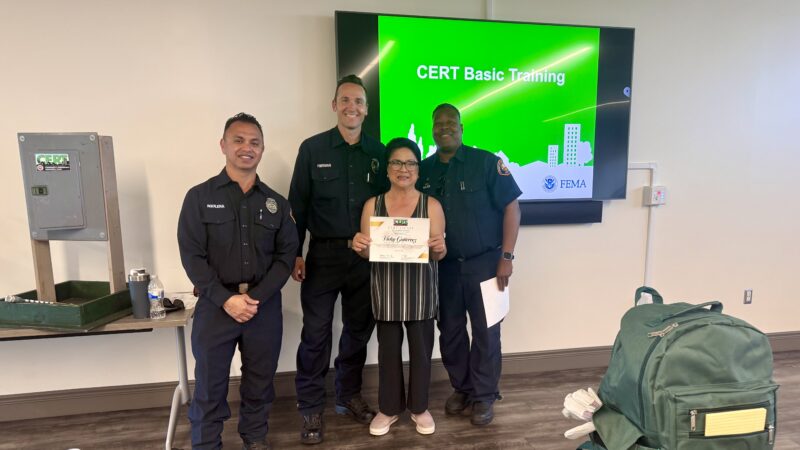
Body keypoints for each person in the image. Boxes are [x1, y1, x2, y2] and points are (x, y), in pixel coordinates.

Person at [178, 113, 298, 450]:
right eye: (239, 140)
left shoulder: (276, 203)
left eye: (255, 142)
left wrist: (255, 298)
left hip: (263, 307)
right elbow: (192, 256)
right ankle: (206, 444)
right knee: (209, 385)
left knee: (260, 382)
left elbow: (286, 257)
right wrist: (226, 299)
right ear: (223, 146)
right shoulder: (199, 197)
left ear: (262, 149)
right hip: (216, 306)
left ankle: (255, 438)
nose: (247, 148)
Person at [289, 74, 388, 444]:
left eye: (359, 102)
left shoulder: (379, 155)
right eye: (345, 100)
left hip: (366, 258)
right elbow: (296, 206)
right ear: (334, 105)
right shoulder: (313, 149)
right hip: (323, 256)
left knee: (357, 332)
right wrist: (295, 253)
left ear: (366, 109)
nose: (352, 107)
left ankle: (349, 396)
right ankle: (311, 407)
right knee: (315, 334)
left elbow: (389, 209)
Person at [417, 103, 522, 426]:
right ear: (432, 129)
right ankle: (462, 388)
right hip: (443, 269)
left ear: (462, 128)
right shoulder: (424, 169)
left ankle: (484, 395)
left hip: (486, 265)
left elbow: (512, 209)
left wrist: (506, 257)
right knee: (449, 333)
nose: (445, 127)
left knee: (487, 334)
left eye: (451, 122)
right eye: (438, 123)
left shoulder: (487, 163)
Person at [351, 138, 447, 437]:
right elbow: (368, 252)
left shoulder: (431, 205)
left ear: (418, 170)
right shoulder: (373, 205)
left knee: (421, 352)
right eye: (396, 162)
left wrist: (441, 247)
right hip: (387, 290)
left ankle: (419, 408)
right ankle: (389, 409)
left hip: (420, 291)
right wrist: (359, 245)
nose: (403, 169)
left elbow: (439, 253)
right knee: (388, 353)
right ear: (388, 168)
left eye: (410, 163)